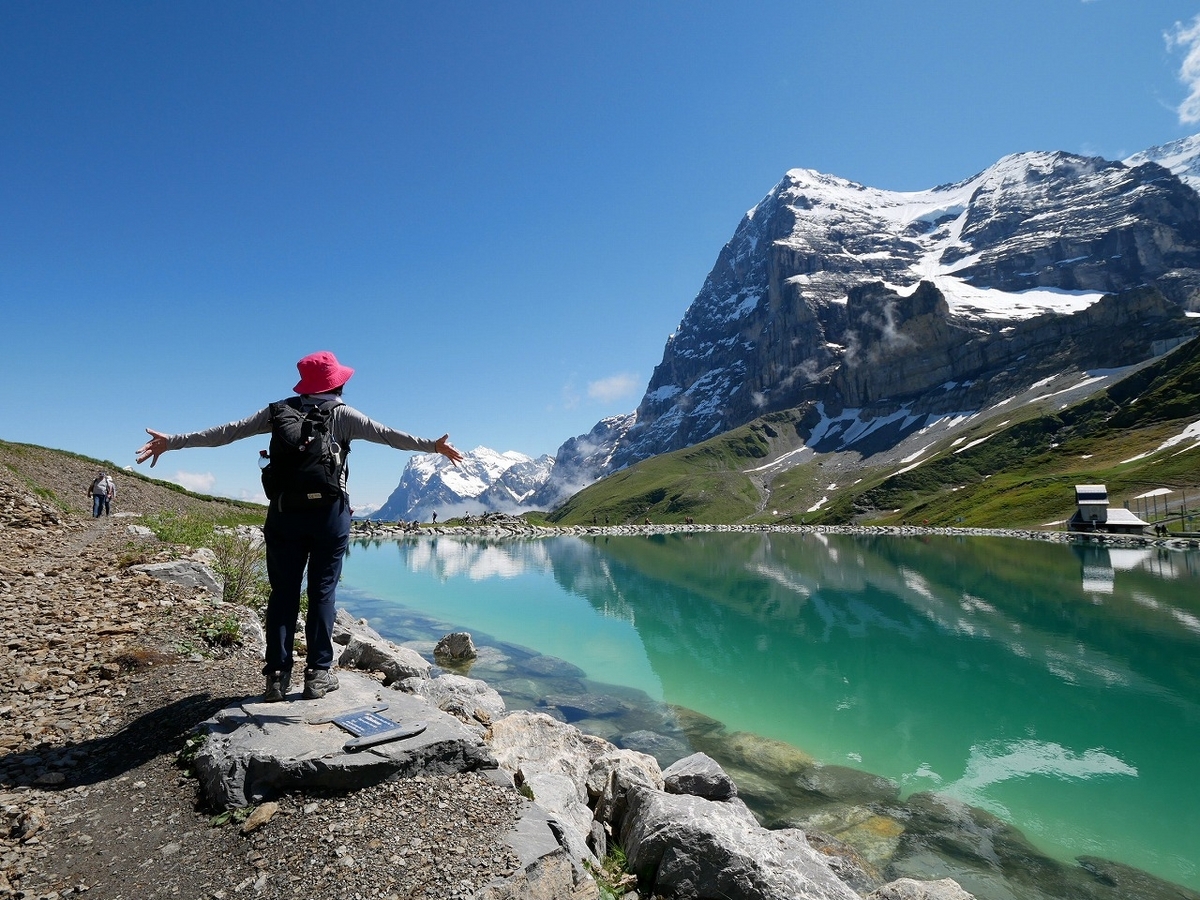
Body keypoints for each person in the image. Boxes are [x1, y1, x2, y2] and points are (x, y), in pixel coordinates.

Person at [135, 350, 463, 702]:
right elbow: (388, 435)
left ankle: (276, 677)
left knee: (283, 593)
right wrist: (432, 446)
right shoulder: (343, 414)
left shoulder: (278, 411)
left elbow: (228, 432)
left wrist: (175, 441)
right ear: (337, 382)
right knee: (322, 592)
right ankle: (318, 674)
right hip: (330, 516)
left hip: (284, 513)